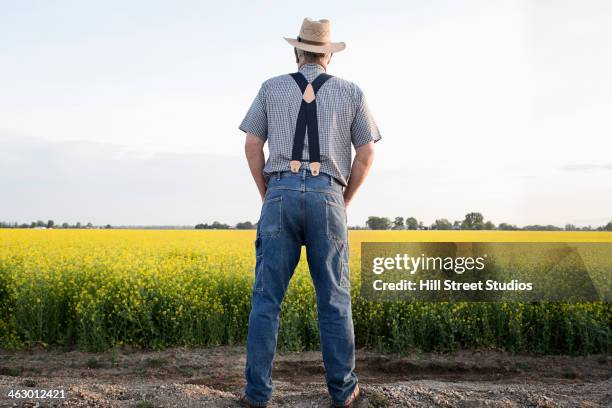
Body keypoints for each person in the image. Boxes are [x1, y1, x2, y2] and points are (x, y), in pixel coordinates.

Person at [238, 17, 381, 408]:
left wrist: (268, 193)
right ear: (328, 57)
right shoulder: (351, 93)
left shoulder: (271, 87)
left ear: (296, 51)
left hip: (280, 192)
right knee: (334, 299)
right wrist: (342, 199)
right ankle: (343, 391)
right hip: (328, 196)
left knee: (267, 299)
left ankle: (257, 394)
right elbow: (367, 152)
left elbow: (253, 144)